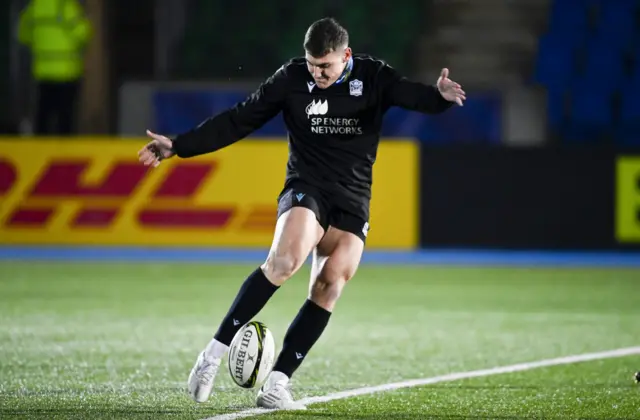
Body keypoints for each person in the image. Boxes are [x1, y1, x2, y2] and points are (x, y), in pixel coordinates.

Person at [138, 17, 464, 410]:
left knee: (331, 282)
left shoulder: (374, 76)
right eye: (311, 64)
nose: (317, 73)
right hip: (306, 187)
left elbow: (416, 97)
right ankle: (210, 356)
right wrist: (180, 145)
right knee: (285, 260)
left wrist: (440, 97)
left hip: (353, 197)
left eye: (325, 65)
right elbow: (239, 119)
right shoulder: (290, 79)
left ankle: (276, 384)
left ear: (345, 55)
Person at [17, 0, 92, 135]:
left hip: (42, 72)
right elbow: (83, 33)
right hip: (67, 72)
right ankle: (64, 153)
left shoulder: (35, 6)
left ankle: (39, 152)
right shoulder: (65, 5)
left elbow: (23, 34)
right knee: (65, 122)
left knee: (43, 120)